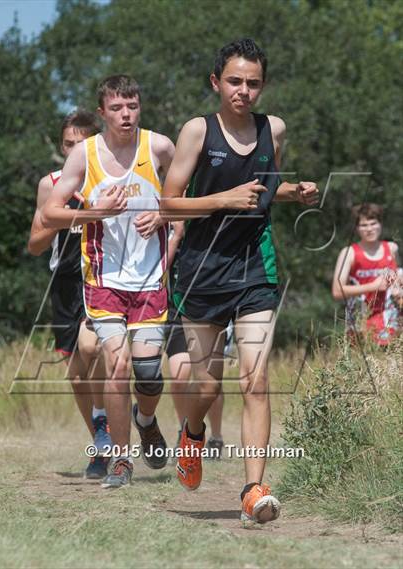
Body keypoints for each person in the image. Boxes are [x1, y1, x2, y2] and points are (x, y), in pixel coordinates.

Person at [161, 38, 319, 523]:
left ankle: (253, 489)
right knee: (206, 388)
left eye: (253, 83)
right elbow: (167, 203)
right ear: (216, 82)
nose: (243, 91)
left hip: (255, 268)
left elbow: (264, 191)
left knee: (255, 378)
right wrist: (222, 200)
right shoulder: (196, 132)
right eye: (234, 81)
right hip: (203, 270)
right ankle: (192, 434)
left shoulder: (274, 130)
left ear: (262, 86)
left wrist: (297, 193)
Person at [41, 75, 175, 489]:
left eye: (132, 106)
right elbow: (51, 212)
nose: (126, 115)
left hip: (150, 277)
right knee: (118, 366)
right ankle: (121, 459)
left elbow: (186, 201)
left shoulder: (160, 147)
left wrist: (164, 216)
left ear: (140, 106)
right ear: (102, 112)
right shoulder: (84, 155)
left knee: (150, 374)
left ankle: (146, 420)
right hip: (103, 279)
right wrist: (93, 211)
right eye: (117, 108)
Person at [28, 109, 111, 480]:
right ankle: (100, 440)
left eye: (81, 143)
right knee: (77, 377)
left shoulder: (108, 179)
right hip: (64, 282)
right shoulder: (52, 185)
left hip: (101, 276)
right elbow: (35, 244)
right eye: (67, 144)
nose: (73, 149)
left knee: (93, 350)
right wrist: (71, 216)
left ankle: (119, 424)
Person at [166, 221, 225, 458]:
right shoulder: (164, 219)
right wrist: (176, 235)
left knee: (211, 379)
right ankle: (186, 433)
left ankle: (216, 437)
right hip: (174, 309)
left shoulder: (206, 213)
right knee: (179, 375)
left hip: (209, 305)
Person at [332, 203, 402, 346]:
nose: (369, 229)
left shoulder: (392, 248)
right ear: (357, 228)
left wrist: (398, 287)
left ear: (380, 224)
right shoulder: (349, 253)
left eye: (373, 223)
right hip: (361, 321)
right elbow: (337, 291)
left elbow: (397, 278)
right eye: (364, 225)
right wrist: (372, 286)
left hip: (391, 320)